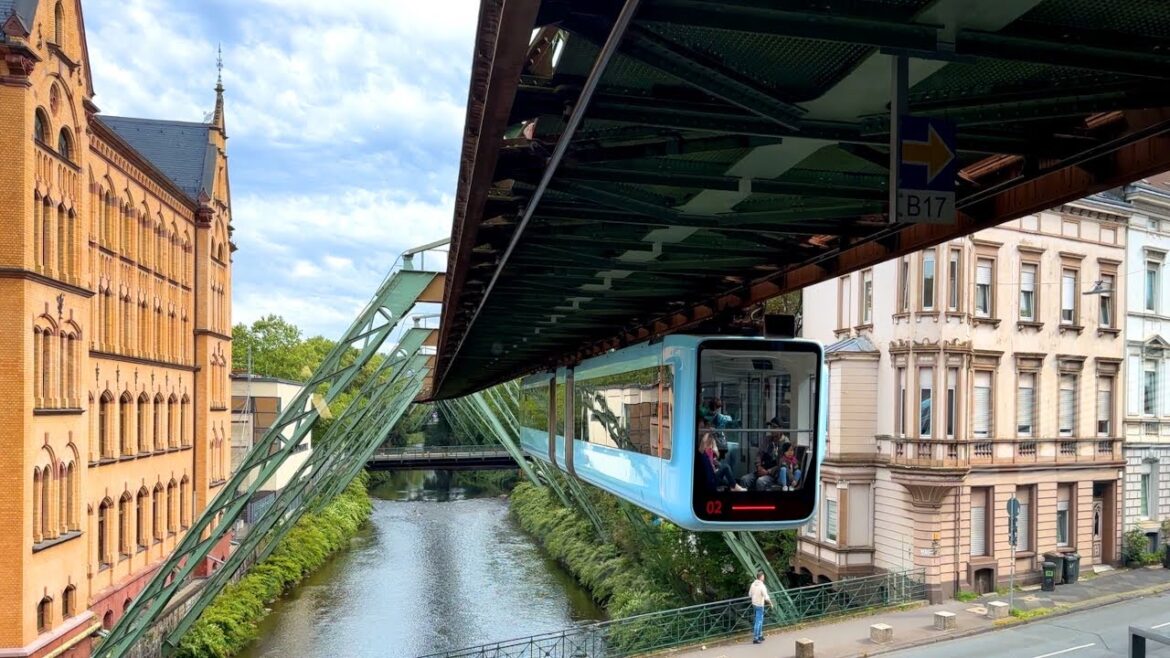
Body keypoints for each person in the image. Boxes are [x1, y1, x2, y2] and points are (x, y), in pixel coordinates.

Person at [749, 570, 772, 643]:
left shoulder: (753, 584)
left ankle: (760, 635)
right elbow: (766, 597)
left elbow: (749, 594)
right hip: (759, 604)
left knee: (759, 620)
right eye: (763, 576)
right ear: (761, 577)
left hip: (754, 604)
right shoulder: (762, 586)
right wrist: (771, 603)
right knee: (758, 621)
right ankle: (756, 638)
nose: (764, 578)